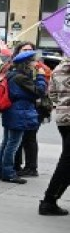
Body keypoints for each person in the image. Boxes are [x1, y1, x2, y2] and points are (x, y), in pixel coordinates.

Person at [0, 51, 47, 184]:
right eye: (34, 61)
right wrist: (41, 77)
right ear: (27, 63)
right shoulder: (21, 78)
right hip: (20, 112)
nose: (36, 64)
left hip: (11, 110)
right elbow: (39, 92)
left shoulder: (11, 74)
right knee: (13, 143)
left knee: (7, 141)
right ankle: (8, 173)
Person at [12, 41, 51, 177]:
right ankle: (17, 165)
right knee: (18, 138)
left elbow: (43, 89)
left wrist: (40, 76)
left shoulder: (40, 68)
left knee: (30, 137)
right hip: (22, 106)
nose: (27, 52)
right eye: (24, 49)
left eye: (30, 50)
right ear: (18, 51)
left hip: (37, 107)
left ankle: (31, 167)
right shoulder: (15, 66)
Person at [40, 56, 70, 216]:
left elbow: (51, 95)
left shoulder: (59, 68)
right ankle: (49, 200)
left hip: (63, 118)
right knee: (67, 161)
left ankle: (50, 200)